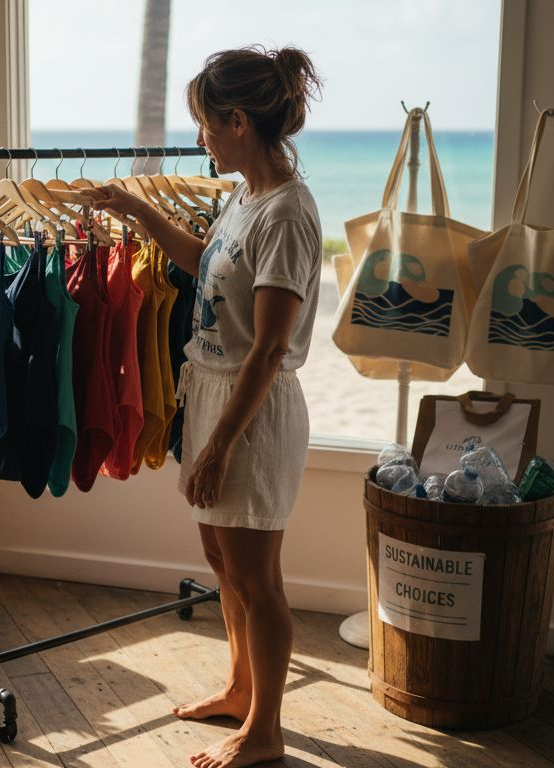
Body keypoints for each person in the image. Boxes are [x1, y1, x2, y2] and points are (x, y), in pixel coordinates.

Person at [82, 45, 323, 768]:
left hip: (253, 411)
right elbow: (204, 266)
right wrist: (137, 209)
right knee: (222, 562)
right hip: (216, 393)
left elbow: (270, 348)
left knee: (259, 578)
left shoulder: (287, 213)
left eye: (205, 126)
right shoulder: (242, 197)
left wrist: (216, 445)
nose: (199, 139)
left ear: (239, 121)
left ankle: (266, 733)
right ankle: (240, 690)